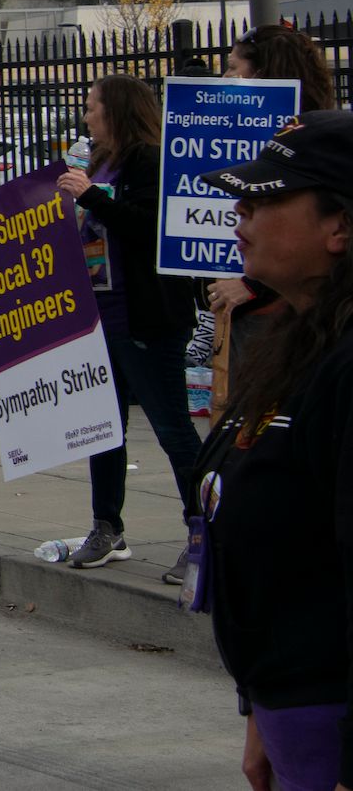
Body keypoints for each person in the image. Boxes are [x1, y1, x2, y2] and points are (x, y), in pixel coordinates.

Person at [191, 110, 353, 791]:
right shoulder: (299, 341)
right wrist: (258, 704)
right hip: (291, 701)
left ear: (340, 227)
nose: (239, 214)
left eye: (264, 201)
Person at [53, 75, 202, 581]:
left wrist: (92, 197)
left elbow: (148, 228)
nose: (86, 116)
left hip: (147, 318)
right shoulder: (99, 161)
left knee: (173, 429)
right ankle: (106, 526)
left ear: (115, 111)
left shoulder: (149, 161)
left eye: (92, 107)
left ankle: (203, 533)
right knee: (103, 429)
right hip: (101, 317)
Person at [211, 23, 341, 414]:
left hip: (274, 313)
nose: (226, 77)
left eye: (234, 68)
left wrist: (251, 284)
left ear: (263, 74)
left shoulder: (309, 145)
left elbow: (302, 236)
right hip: (245, 310)